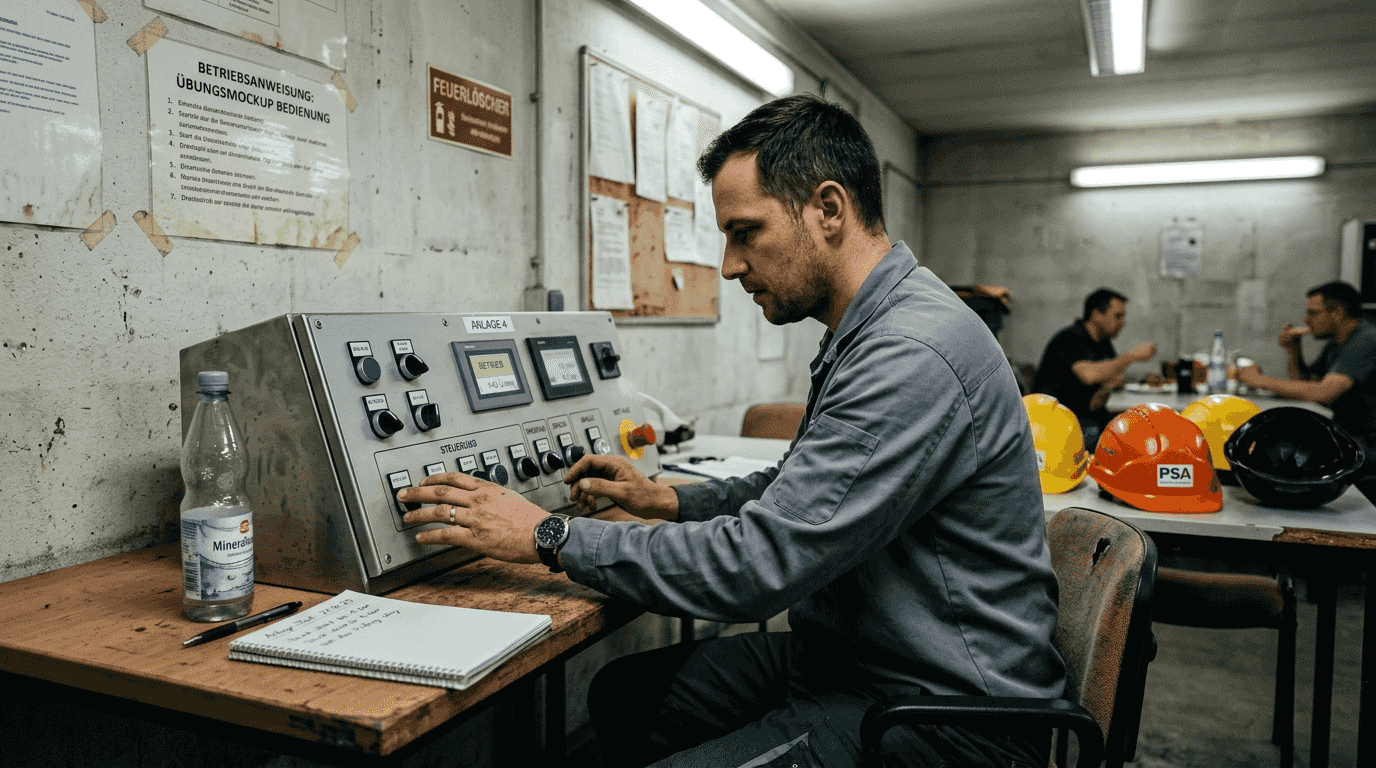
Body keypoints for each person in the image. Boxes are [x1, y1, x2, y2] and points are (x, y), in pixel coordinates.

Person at [396, 94, 1065, 767]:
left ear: (827, 210)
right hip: (862, 658)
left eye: (746, 232)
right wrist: (671, 500)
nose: (729, 265)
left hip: (944, 715)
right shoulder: (870, 328)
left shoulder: (911, 353)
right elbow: (803, 488)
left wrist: (548, 535)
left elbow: (758, 565)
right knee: (627, 695)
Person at [1237, 281, 1376, 455]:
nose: (1306, 319)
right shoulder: (1336, 343)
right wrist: (1293, 350)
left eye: (1313, 312)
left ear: (1338, 313)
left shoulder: (1366, 340)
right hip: (1345, 434)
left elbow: (1323, 392)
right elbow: (1304, 387)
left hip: (1365, 444)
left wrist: (1260, 381)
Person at [1032, 288, 1156, 448]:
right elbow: (1089, 375)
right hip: (1057, 423)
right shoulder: (1070, 338)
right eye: (1118, 316)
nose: (1123, 322)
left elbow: (1115, 375)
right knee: (1122, 435)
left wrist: (1140, 378)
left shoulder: (1103, 342)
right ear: (1096, 314)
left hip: (1089, 412)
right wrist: (1132, 356)